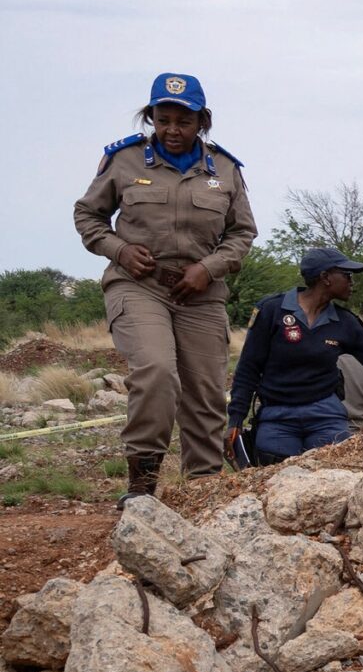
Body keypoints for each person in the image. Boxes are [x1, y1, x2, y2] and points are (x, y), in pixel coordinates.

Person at [71, 73, 258, 501]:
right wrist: (119, 250)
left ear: (202, 122)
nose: (172, 130)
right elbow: (87, 216)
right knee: (156, 371)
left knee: (206, 392)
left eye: (184, 122)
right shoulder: (124, 161)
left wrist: (209, 268)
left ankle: (201, 491)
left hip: (201, 293)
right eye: (163, 119)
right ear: (151, 117)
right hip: (139, 285)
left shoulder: (225, 169)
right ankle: (141, 489)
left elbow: (242, 233)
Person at [228, 248, 363, 463]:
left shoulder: (345, 323)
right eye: (347, 275)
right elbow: (248, 368)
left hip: (324, 414)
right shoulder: (272, 311)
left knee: (333, 466)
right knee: (275, 467)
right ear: (325, 277)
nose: (352, 282)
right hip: (277, 415)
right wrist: (235, 420)